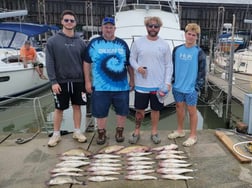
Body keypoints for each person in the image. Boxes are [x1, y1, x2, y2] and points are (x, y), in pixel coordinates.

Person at [84, 17, 134, 145]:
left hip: (121, 87)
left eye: (111, 27)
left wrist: (132, 80)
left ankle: (119, 131)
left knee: (122, 112)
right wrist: (87, 81)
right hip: (100, 87)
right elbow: (86, 62)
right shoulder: (94, 43)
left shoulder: (122, 44)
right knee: (101, 113)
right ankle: (101, 133)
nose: (108, 29)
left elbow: (129, 64)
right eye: (106, 26)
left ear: (114, 29)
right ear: (102, 28)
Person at [46, 10, 87, 147]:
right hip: (60, 82)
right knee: (59, 108)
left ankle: (77, 131)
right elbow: (50, 62)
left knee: (77, 107)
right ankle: (56, 134)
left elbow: (85, 63)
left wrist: (87, 80)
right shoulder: (52, 41)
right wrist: (53, 81)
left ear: (75, 23)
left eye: (72, 20)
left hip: (78, 81)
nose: (69, 22)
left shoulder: (81, 42)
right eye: (66, 20)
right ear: (62, 22)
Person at [129, 16, 173, 144]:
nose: (153, 28)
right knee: (139, 110)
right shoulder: (138, 43)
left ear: (159, 28)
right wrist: (138, 68)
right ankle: (136, 131)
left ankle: (154, 132)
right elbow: (132, 59)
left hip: (158, 86)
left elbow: (169, 65)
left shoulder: (164, 44)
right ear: (146, 27)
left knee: (155, 110)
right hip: (142, 85)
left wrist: (167, 82)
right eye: (150, 26)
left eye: (156, 26)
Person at [167, 23, 206, 147]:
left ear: (196, 37)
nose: (190, 37)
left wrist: (196, 87)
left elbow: (202, 71)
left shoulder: (199, 52)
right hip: (178, 86)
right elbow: (172, 66)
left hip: (190, 88)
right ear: (185, 34)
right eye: (189, 34)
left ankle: (193, 135)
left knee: (192, 111)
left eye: (193, 35)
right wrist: (172, 81)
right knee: (179, 108)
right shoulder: (177, 49)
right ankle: (180, 130)